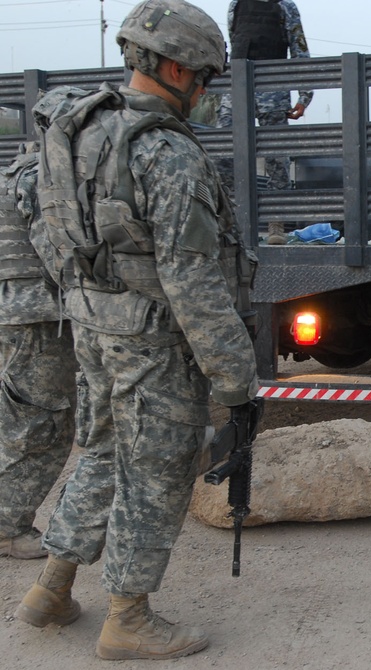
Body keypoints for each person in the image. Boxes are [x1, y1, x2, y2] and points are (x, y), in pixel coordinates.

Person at [15, 0, 258, 660]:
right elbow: (195, 285)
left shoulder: (81, 131)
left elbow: (47, 228)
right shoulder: (166, 154)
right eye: (204, 77)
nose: (205, 91)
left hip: (95, 325)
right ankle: (128, 616)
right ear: (177, 69)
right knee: (156, 470)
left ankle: (52, 589)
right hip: (153, 340)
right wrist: (237, 382)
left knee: (98, 454)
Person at [0, 143, 77, 561]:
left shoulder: (18, 171)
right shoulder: (39, 178)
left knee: (25, 418)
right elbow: (58, 254)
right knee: (39, 424)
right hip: (36, 319)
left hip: (24, 315)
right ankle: (6, 528)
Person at [217, 0, 313, 245]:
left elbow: (299, 48)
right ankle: (230, 224)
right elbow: (233, 37)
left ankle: (276, 224)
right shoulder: (236, 4)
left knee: (277, 160)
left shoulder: (284, 6)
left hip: (273, 87)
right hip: (236, 86)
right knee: (222, 155)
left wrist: (305, 95)